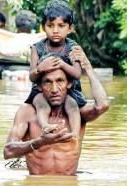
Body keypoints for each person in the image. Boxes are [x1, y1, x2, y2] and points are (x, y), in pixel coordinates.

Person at [3, 51, 109, 175]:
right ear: (40, 86)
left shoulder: (79, 113)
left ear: (69, 83)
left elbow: (103, 105)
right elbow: (8, 152)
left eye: (60, 81)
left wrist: (88, 68)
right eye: (48, 82)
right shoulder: (27, 112)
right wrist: (39, 142)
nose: (54, 90)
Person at [26, 0, 84, 141]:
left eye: (61, 26)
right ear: (43, 27)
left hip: (69, 89)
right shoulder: (37, 48)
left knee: (72, 105)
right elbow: (32, 77)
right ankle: (46, 126)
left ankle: (75, 134)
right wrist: (41, 68)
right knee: (40, 103)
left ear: (70, 28)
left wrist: (62, 65)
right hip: (42, 88)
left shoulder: (72, 47)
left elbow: (77, 74)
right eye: (50, 26)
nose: (55, 30)